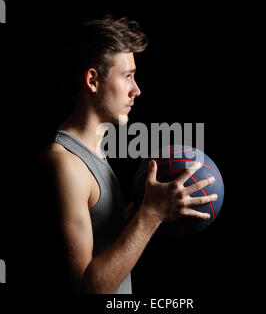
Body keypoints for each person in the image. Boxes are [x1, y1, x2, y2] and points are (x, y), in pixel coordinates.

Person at [36, 15, 218, 294]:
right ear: (93, 81)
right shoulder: (63, 164)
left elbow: (101, 237)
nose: (137, 89)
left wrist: (149, 205)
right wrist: (149, 215)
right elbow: (85, 289)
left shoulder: (91, 153)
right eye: (127, 76)